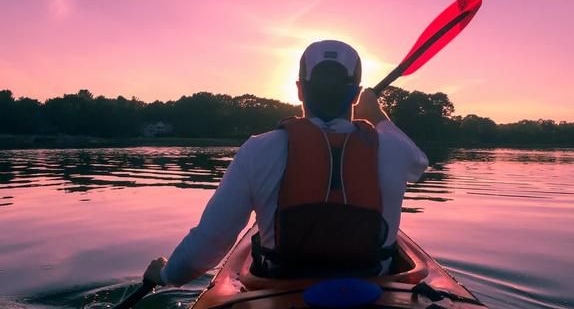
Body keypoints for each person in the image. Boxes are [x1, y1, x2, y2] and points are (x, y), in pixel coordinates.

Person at [144, 40, 428, 285]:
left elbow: (207, 246)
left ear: (299, 90)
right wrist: (376, 114)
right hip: (375, 289)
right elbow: (419, 163)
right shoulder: (394, 149)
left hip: (281, 287)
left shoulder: (258, 150)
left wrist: (166, 275)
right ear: (355, 94)